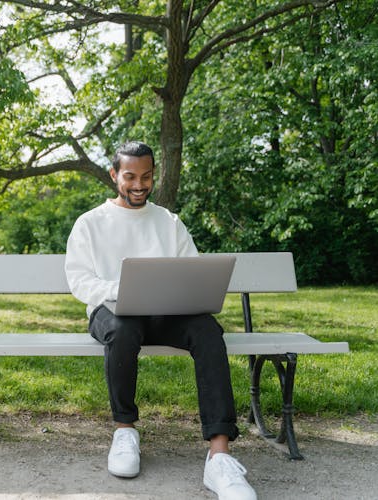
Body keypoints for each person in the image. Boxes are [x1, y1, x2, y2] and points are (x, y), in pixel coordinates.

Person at [64, 140, 256, 500]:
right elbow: (80, 281)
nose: (139, 185)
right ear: (113, 175)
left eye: (147, 176)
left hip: (166, 313)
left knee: (207, 331)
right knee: (123, 330)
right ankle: (125, 430)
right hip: (113, 313)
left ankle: (219, 456)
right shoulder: (90, 223)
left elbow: (192, 271)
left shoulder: (169, 222)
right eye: (130, 176)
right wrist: (123, 290)